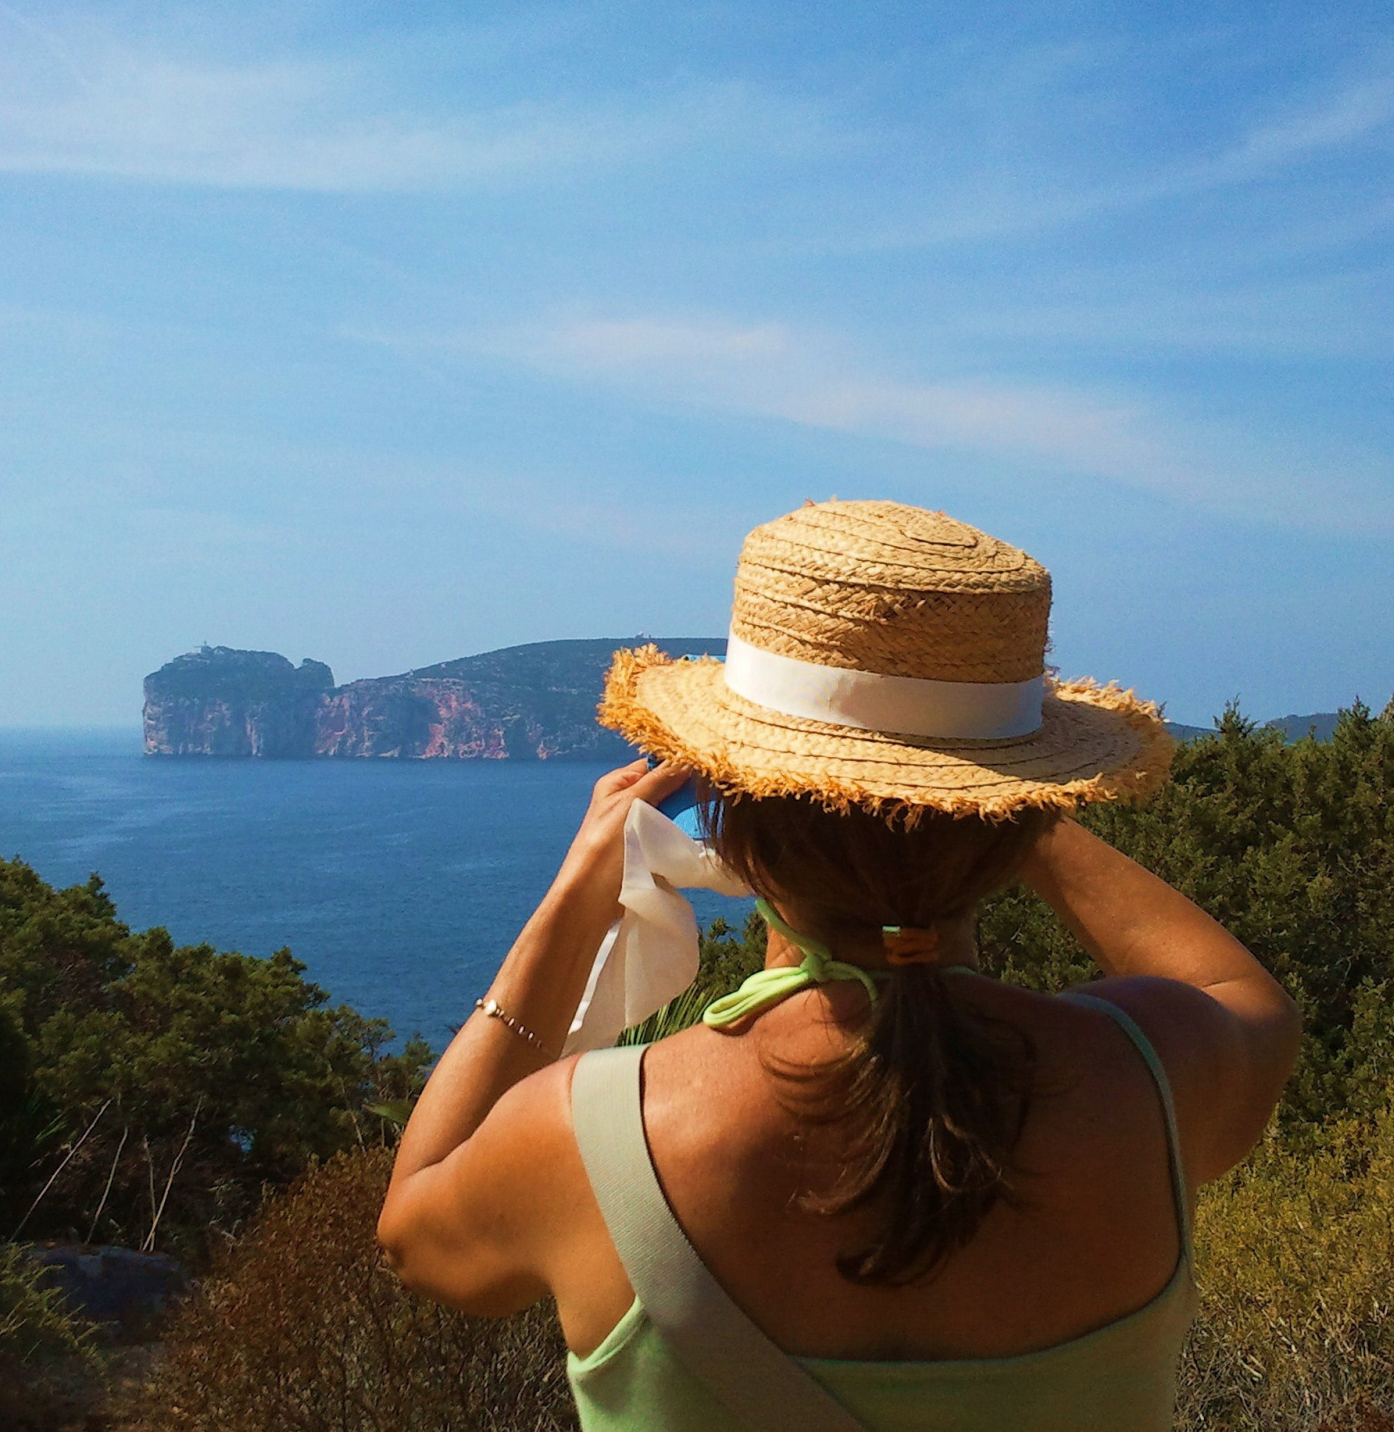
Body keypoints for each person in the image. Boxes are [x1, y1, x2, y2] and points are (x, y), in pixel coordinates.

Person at [379, 500, 1300, 1430]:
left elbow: (414, 1239)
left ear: (735, 818)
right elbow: (1246, 997)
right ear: (1018, 815)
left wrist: (580, 891)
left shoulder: (592, 1134)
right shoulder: (1153, 1074)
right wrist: (980, 796)